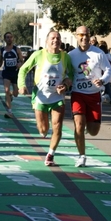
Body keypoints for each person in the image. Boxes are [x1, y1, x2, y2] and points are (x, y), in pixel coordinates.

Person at [17, 31, 72, 166]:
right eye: (52, 38)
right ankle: (43, 128)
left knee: (57, 126)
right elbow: (23, 69)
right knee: (43, 130)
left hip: (57, 97)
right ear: (47, 41)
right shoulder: (39, 55)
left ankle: (50, 154)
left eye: (58, 38)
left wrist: (65, 84)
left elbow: (71, 75)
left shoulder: (65, 57)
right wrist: (21, 85)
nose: (55, 40)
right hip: (41, 97)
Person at [68, 26, 111, 167]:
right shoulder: (71, 55)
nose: (84, 37)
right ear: (76, 36)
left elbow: (109, 70)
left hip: (94, 95)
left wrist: (103, 80)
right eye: (81, 35)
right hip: (78, 94)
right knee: (79, 125)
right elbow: (66, 73)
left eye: (86, 35)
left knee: (93, 131)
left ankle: (89, 123)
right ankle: (81, 156)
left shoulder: (98, 53)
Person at [0, 32, 24, 118]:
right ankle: (9, 112)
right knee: (6, 90)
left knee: (16, 94)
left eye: (10, 37)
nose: (9, 39)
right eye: (7, 37)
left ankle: (11, 94)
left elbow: (22, 60)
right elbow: (1, 61)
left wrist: (19, 64)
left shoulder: (16, 49)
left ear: (12, 38)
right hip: (6, 72)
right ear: (5, 39)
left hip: (15, 72)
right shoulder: (2, 50)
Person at [99, 41, 111, 105]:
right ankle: (110, 98)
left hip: (104, 73)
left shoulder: (105, 56)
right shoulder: (109, 55)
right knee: (107, 87)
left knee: (107, 87)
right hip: (107, 73)